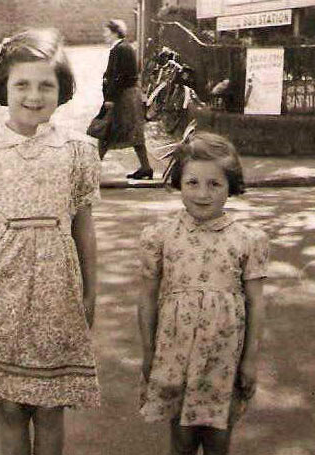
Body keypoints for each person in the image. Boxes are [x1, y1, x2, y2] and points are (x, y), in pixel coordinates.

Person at [0, 28, 101, 455]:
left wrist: (90, 292)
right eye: (22, 84)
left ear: (62, 90)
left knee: (50, 406)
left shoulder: (78, 150)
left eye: (46, 85)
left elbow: (84, 228)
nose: (34, 95)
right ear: (3, 87)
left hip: (56, 292)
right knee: (9, 407)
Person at [138, 132, 269, 454]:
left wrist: (250, 360)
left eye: (215, 184)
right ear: (179, 183)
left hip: (223, 359)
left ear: (230, 185)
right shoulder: (160, 236)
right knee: (181, 439)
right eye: (192, 183)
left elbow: (255, 303)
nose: (202, 194)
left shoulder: (248, 240)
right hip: (175, 354)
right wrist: (148, 352)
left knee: (217, 439)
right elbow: (147, 298)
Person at [99, 19, 154, 180]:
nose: (104, 35)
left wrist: (110, 97)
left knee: (106, 131)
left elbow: (118, 76)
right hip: (129, 94)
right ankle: (146, 168)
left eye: (106, 32)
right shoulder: (125, 47)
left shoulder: (120, 49)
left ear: (115, 32)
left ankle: (92, 169)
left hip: (123, 96)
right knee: (133, 132)